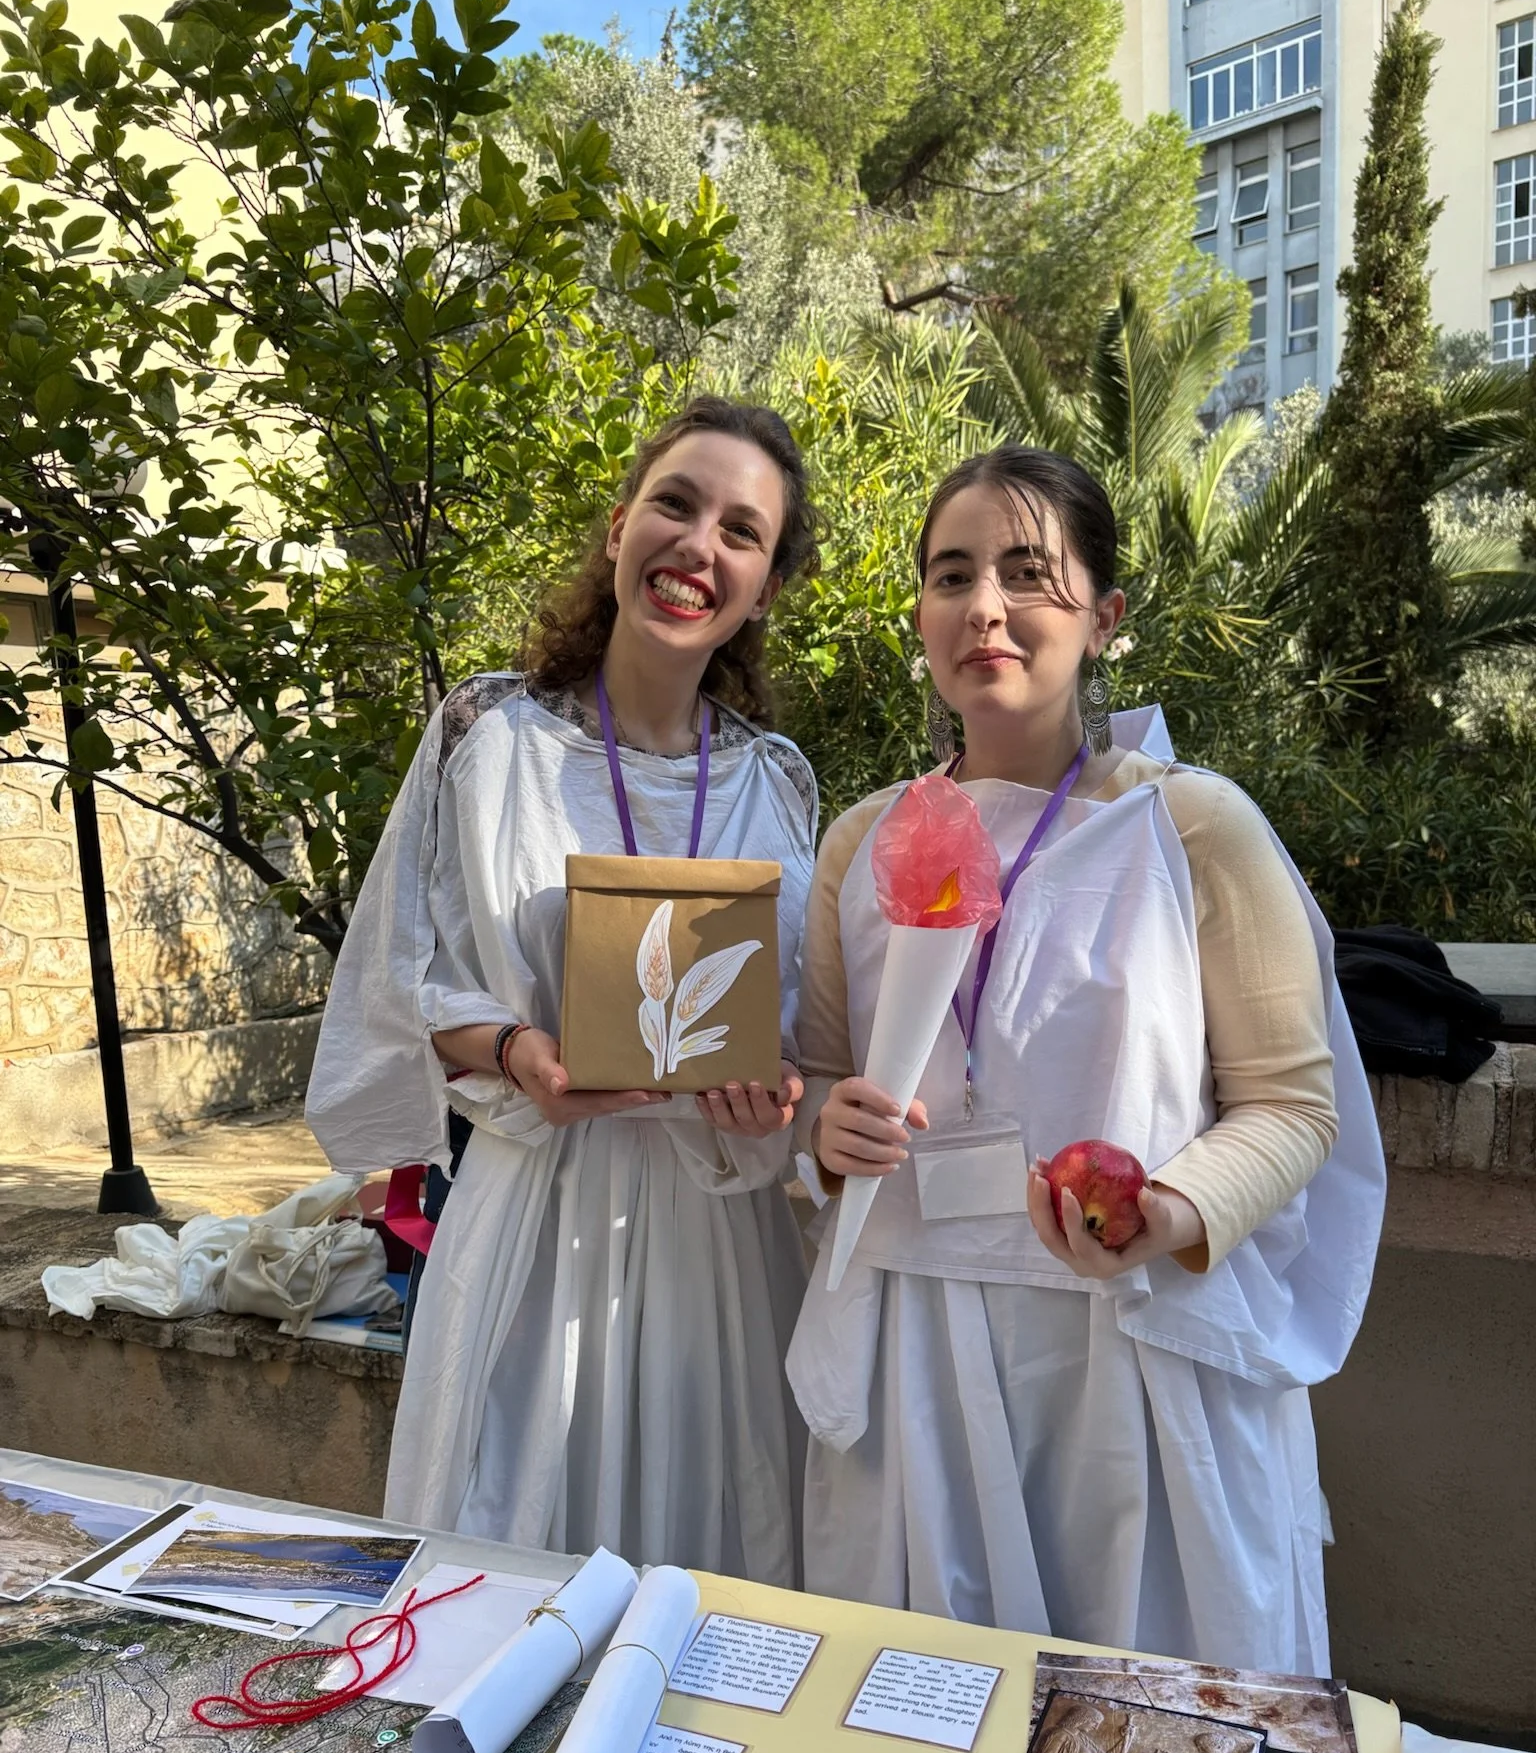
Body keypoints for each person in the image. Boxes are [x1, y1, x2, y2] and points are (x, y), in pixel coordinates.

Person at [785, 445, 1385, 1670]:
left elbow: (1293, 1104)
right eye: (952, 576)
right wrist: (821, 1135)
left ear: (1104, 617)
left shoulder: (1189, 823)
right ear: (920, 618)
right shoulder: (858, 843)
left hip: (1132, 1364)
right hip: (919, 1364)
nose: (985, 606)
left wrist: (1169, 1210)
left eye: (1027, 573)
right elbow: (818, 1086)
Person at [307, 397, 822, 1585]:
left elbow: (803, 1021)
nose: (700, 545)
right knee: (511, 1565)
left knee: (710, 1577)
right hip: (533, 1226)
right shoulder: (488, 736)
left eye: (742, 532)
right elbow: (393, 983)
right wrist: (515, 1047)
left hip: (720, 1246)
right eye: (676, 504)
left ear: (763, 587)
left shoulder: (778, 783)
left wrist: (777, 1088)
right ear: (618, 528)